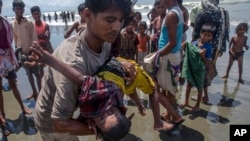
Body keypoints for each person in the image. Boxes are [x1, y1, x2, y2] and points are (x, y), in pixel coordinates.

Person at [33, 0, 136, 141]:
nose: (117, 27)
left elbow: (100, 64)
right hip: (52, 123)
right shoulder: (74, 62)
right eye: (110, 19)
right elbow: (60, 124)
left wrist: (118, 61)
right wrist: (105, 131)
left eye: (121, 20)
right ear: (87, 14)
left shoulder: (104, 41)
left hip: (71, 110)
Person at [0, 0, 32, 136]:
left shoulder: (6, 23)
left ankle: (22, 107)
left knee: (13, 84)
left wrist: (13, 57)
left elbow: (10, 42)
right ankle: (2, 117)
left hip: (7, 58)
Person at [155, 0, 184, 122]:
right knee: (169, 88)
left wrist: (156, 55)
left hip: (168, 56)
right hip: (173, 55)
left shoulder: (171, 15)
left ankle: (174, 116)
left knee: (155, 87)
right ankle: (169, 114)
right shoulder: (178, 11)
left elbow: (172, 43)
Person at [180, 23, 215, 111]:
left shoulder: (208, 48)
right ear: (200, 33)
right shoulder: (194, 43)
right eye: (205, 35)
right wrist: (184, 47)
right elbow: (189, 54)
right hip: (192, 68)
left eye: (209, 36)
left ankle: (197, 105)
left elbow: (208, 62)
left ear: (211, 37)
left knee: (200, 87)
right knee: (188, 85)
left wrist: (203, 56)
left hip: (200, 70)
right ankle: (186, 102)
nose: (206, 37)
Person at [192, 0, 230, 79]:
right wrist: (221, 48)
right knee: (211, 64)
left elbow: (196, 33)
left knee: (200, 65)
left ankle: (202, 83)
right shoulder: (222, 13)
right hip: (216, 46)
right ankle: (207, 82)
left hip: (201, 44)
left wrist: (192, 46)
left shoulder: (202, 14)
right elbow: (223, 32)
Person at [11, 0, 40, 100]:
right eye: (17, 8)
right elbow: (15, 39)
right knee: (29, 74)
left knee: (37, 73)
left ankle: (41, 92)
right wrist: (16, 53)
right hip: (21, 53)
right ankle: (35, 92)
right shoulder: (12, 24)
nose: (20, 11)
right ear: (13, 9)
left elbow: (34, 38)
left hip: (32, 51)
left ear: (23, 9)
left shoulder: (29, 22)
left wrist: (34, 52)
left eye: (21, 8)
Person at [30, 6, 54, 81]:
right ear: (32, 15)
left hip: (47, 47)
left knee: (52, 64)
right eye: (34, 14)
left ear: (40, 13)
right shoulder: (32, 26)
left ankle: (53, 80)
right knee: (40, 68)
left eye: (38, 13)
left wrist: (46, 34)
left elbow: (48, 37)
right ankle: (43, 83)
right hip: (38, 48)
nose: (36, 15)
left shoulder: (45, 25)